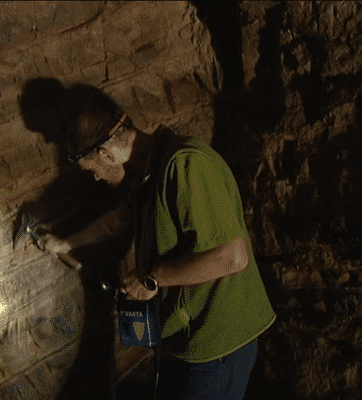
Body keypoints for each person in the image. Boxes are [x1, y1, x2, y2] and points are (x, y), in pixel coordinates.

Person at [40, 86, 276, 400]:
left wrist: (152, 278)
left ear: (108, 154)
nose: (95, 178)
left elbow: (232, 257)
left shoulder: (187, 165)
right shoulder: (147, 174)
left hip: (219, 342)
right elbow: (116, 221)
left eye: (91, 170)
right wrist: (64, 243)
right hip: (185, 337)